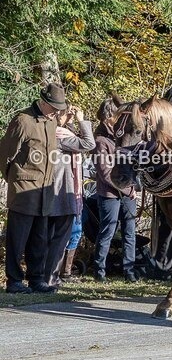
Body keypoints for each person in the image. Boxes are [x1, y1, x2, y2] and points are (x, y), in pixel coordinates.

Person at [0, 84, 73, 293]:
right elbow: (5, 153)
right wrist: (13, 178)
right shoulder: (23, 120)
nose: (57, 112)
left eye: (60, 108)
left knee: (39, 239)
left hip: (45, 190)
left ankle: (36, 278)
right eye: (54, 107)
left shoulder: (51, 122)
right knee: (17, 238)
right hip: (24, 189)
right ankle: (14, 281)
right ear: (43, 102)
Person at [91, 98, 140, 282]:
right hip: (109, 194)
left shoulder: (122, 137)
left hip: (128, 191)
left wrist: (133, 186)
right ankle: (99, 270)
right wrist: (128, 189)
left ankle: (129, 270)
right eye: (115, 116)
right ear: (108, 118)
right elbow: (105, 173)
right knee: (107, 232)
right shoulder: (100, 141)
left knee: (130, 231)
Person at [48, 104, 95, 288]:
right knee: (63, 234)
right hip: (62, 193)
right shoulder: (60, 135)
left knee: (70, 232)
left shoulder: (65, 135)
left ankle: (60, 273)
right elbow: (89, 143)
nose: (69, 116)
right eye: (65, 114)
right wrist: (81, 120)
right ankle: (55, 274)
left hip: (68, 192)